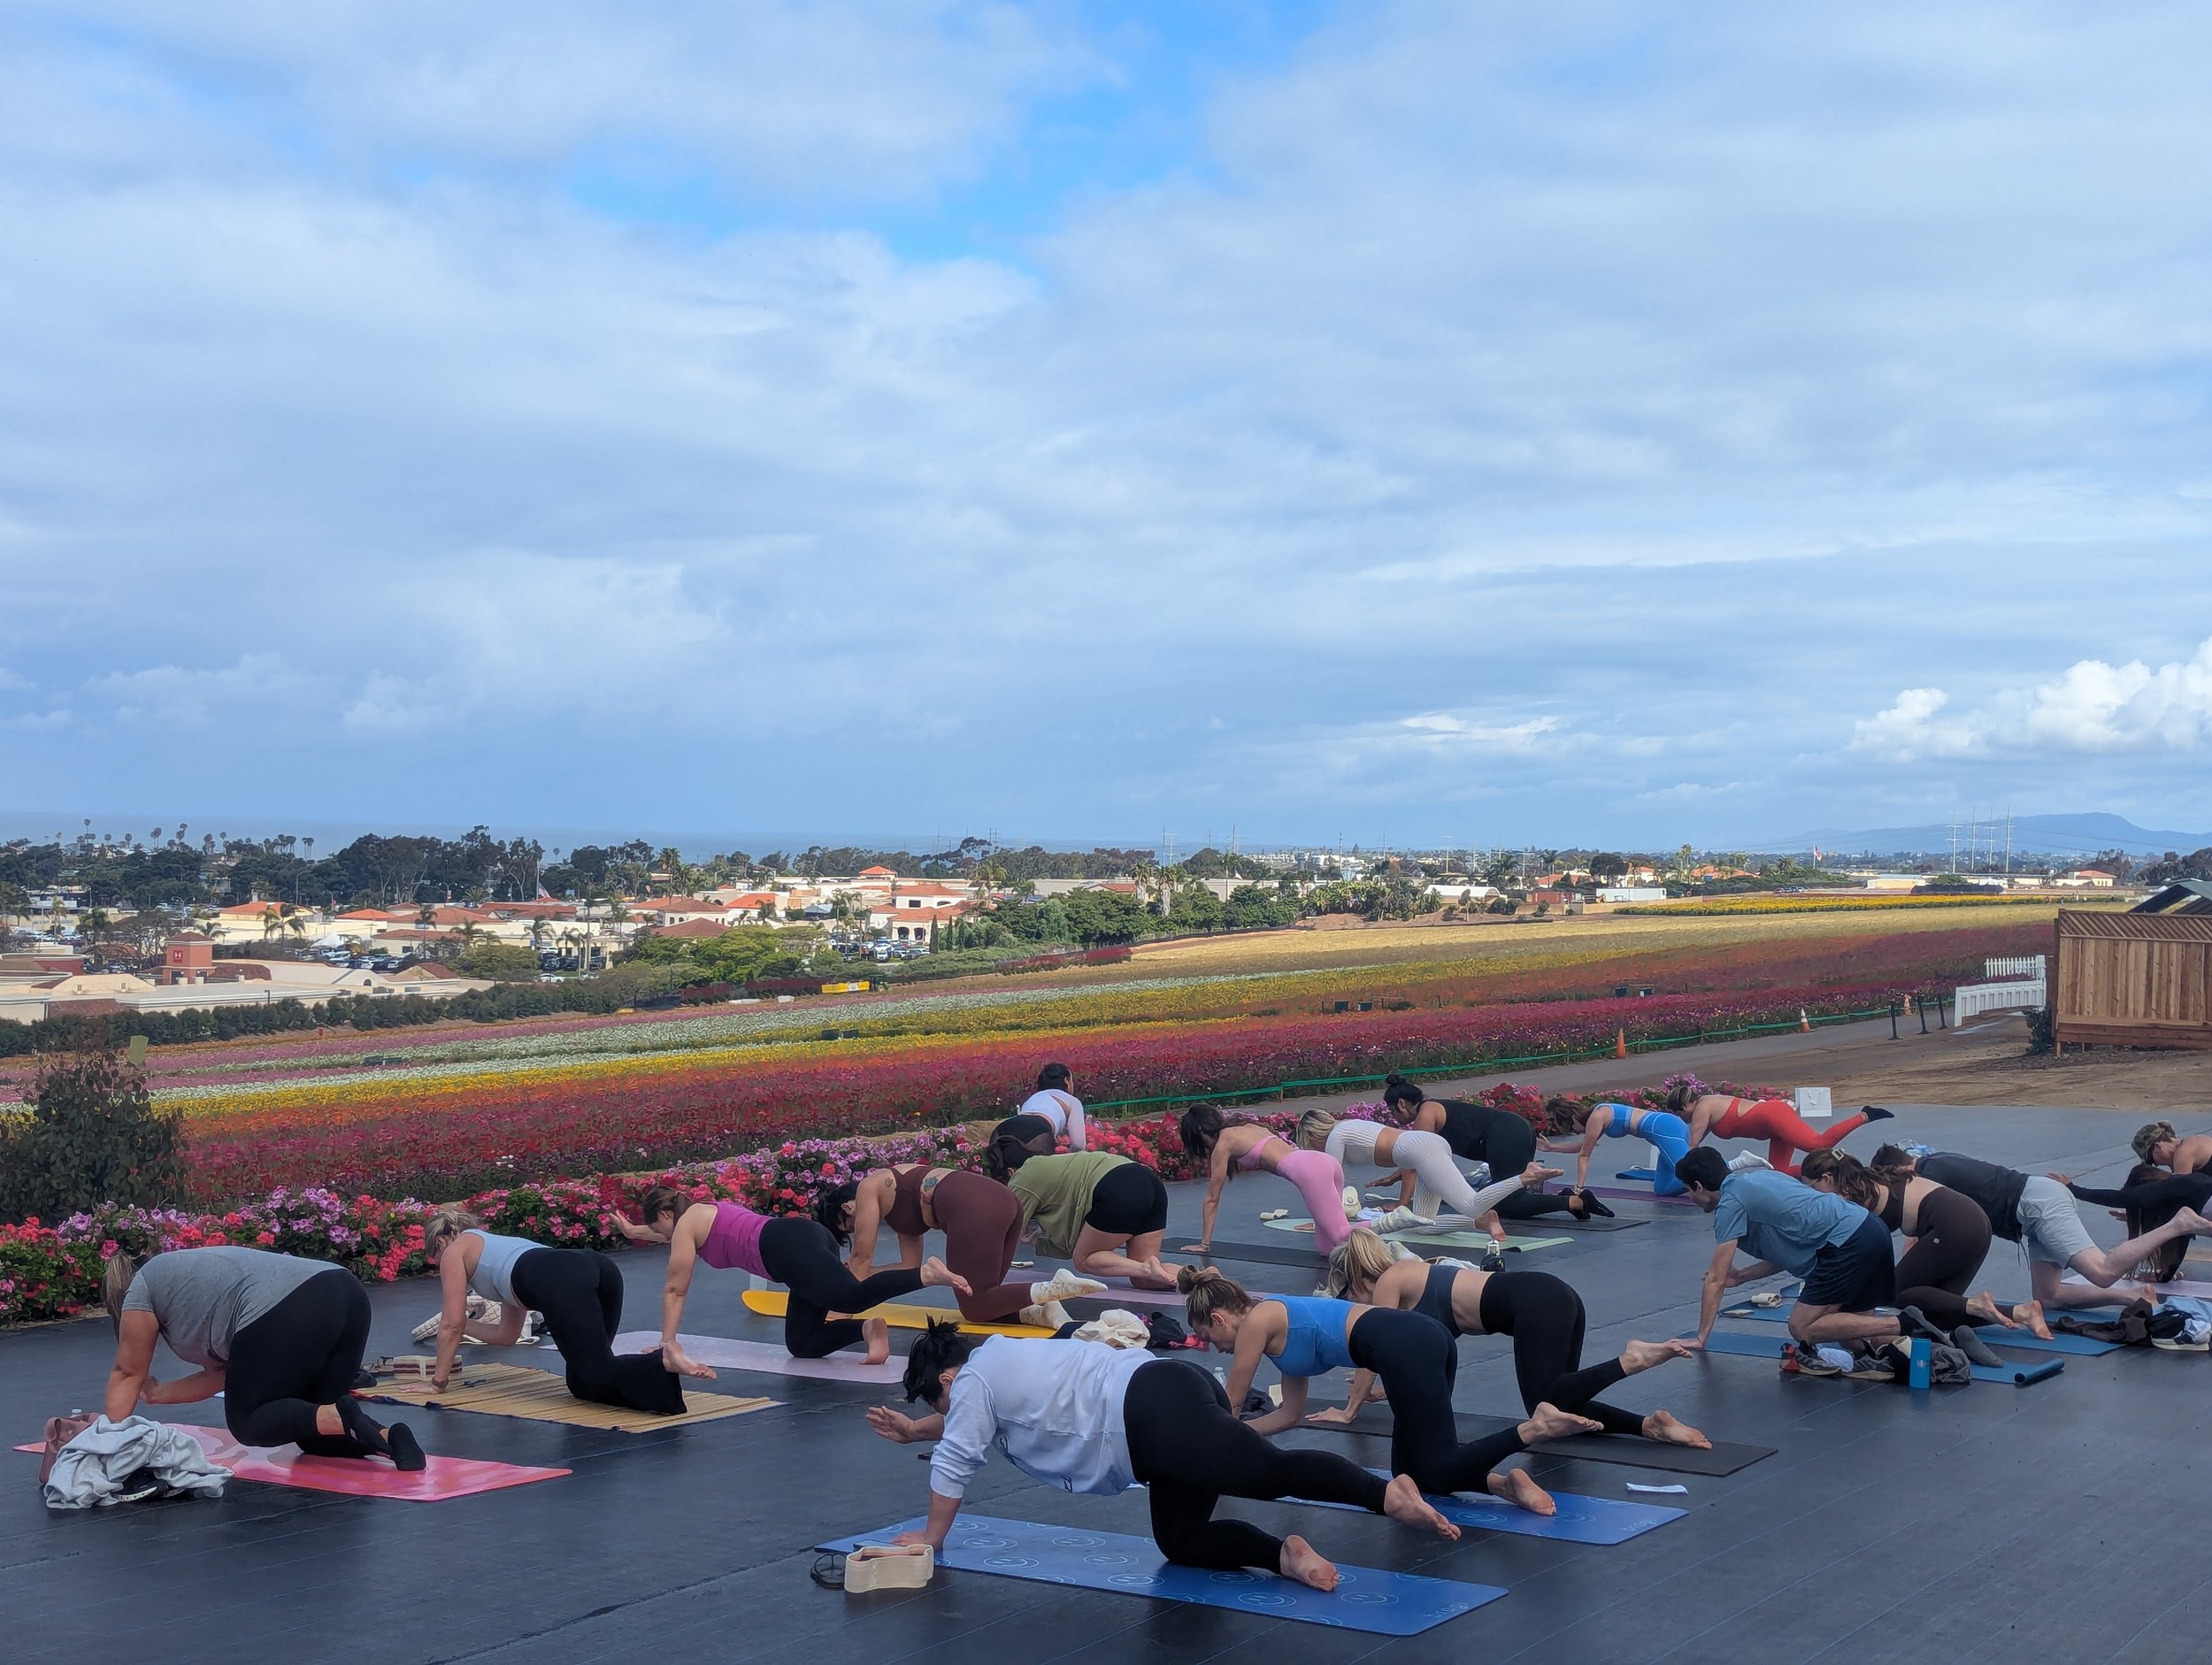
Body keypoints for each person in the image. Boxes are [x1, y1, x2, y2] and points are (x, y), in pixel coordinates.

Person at [866, 1319, 1464, 1591]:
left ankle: (1386, 1494)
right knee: (1182, 1541)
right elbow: (964, 1423)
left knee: (1266, 1472)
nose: (948, 1408)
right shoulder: (993, 1360)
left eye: (939, 1398)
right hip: (1162, 1403)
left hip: (1152, 1413)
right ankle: (1283, 1556)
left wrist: (932, 1538)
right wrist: (918, 1429)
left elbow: (958, 1456)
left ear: (949, 1377)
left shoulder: (974, 1381)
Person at [1179, 1266, 1600, 1515]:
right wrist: (1241, 1437)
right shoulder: (1276, 1329)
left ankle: (1532, 1429)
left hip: (1408, 1344)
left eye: (1209, 1337)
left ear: (1218, 1319)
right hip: (1415, 1341)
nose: (1217, 1348)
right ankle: (1504, 1484)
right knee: (1413, 1475)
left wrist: (1207, 1460)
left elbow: (1232, 1403)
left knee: (1439, 1464)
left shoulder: (1258, 1320)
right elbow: (1289, 1415)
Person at [1316, 1228, 1707, 1448]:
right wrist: (1384, 1391)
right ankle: (1651, 1426)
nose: (1353, 1306)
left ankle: (1631, 1360)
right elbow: (1425, 1360)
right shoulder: (1415, 1282)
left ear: (1356, 1279)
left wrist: (1349, 1411)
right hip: (1552, 1295)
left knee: (1545, 1401)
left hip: (1537, 1302)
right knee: (1557, 1405)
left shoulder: (1391, 1279)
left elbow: (1375, 1348)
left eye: (1347, 1295)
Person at [101, 1246, 424, 1470]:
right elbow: (224, 1375)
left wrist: (106, 1439)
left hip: (294, 1305)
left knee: (248, 1420)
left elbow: (128, 1371)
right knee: (317, 1438)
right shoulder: (184, 1282)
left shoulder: (142, 1289)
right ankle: (391, 1439)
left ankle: (338, 1414)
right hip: (346, 1294)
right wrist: (158, 1394)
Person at [613, 1186, 972, 1368]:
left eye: (658, 1226)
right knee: (803, 1344)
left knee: (849, 1295)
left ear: (666, 1214)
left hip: (790, 1246)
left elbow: (675, 1290)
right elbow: (663, 1233)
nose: (661, 1235)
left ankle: (925, 1274)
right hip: (796, 1247)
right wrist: (632, 1231)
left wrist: (668, 1341)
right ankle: (867, 1330)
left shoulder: (686, 1225)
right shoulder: (693, 1217)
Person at [426, 1210, 688, 1413]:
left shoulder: (453, 1252)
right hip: (597, 1267)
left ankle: (662, 1361)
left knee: (594, 1374)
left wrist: (437, 1384)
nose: (440, 1268)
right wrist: (467, 1326)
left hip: (563, 1279)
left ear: (440, 1241)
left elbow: (452, 1324)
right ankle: (663, 1383)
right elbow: (507, 1335)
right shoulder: (497, 1250)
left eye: (436, 1261)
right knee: (582, 1383)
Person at [1675, 1147, 1902, 1370]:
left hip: (1847, 1241)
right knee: (1852, 1336)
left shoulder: (1730, 1204)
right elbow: (1785, 1252)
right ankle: (1868, 1359)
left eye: (1688, 1190)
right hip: (1871, 1228)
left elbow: (1715, 1280)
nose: (1691, 1197)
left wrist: (1701, 1337)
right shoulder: (1762, 1177)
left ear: (1698, 1186)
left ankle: (1902, 1324)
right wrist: (1742, 1276)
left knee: (1802, 1327)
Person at [1911, 1150, 2212, 1313]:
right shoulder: (1935, 1161)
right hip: (2031, 1209)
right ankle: (2133, 1297)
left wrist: (1908, 1283)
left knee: (2103, 1272)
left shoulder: (1929, 1173)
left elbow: (1917, 1237)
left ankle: (2178, 1225)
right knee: (2048, 1296)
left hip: (2037, 1204)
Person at [818, 1164, 1104, 1327]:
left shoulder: (869, 1187)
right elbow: (908, 1268)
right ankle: (1040, 1310)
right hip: (1002, 1200)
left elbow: (861, 1255)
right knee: (985, 1300)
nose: (859, 1229)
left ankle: (1053, 1287)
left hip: (975, 1207)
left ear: (848, 1207)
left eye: (850, 1226)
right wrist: (868, 1274)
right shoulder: (896, 1205)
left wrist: (842, 1310)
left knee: (974, 1306)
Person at [1799, 1148, 2031, 1333]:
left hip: (1956, 1225)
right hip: (1974, 1223)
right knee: (1933, 1313)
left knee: (1897, 1293)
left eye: (1811, 1187)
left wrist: (1834, 1299)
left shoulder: (1856, 1197)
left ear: (1826, 1178)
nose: (1811, 1196)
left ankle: (1976, 1304)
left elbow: (1861, 1256)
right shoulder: (1868, 1179)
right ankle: (2021, 1313)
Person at [1294, 1107, 1612, 1241]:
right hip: (1423, 1149)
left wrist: (1323, 1222)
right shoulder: (1347, 1127)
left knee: (1471, 1202)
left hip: (1424, 1150)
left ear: (1313, 1134)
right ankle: (1482, 1222)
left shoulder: (1336, 1136)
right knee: (1422, 1224)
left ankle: (1524, 1177)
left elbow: (1331, 1184)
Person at [1379, 1074, 1593, 1222]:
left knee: (1505, 1203)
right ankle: (1566, 1197)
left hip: (1506, 1134)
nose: (1394, 1118)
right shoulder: (1432, 1108)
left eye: (1393, 1111)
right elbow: (1418, 1162)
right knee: (1504, 1197)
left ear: (1402, 1104)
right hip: (1515, 1129)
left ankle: (1574, 1202)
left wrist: (1402, 1205)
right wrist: (1395, 1176)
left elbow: (1414, 1162)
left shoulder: (1426, 1114)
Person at [988, 1142, 1179, 1289]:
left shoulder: (1022, 1178)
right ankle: (1195, 1276)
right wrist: (1039, 1240)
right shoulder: (1054, 1165)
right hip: (1149, 1182)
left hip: (1119, 1186)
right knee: (1144, 1280)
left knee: (1085, 1259)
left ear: (1010, 1172)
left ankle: (1146, 1267)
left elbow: (1004, 1237)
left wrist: (986, 1282)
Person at [1179, 1101, 1356, 1255]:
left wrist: (1204, 1244)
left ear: (1200, 1131)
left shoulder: (1223, 1145)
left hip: (1312, 1170)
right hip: (1324, 1162)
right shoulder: (1246, 1126)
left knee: (1341, 1235)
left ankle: (1376, 1225)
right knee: (1326, 1247)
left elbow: (1212, 1199)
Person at [1674, 1085, 1893, 1176]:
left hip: (1773, 1116)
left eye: (1677, 1114)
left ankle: (1864, 1115)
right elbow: (1697, 1140)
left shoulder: (1702, 1106)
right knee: (1779, 1173)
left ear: (1684, 1106)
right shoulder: (1706, 1106)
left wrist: (1678, 1169)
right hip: (1772, 1127)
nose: (1680, 1120)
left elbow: (1692, 1145)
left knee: (1817, 1144)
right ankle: (1834, 1164)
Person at [2050, 1162, 2212, 1285]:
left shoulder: (2174, 1186)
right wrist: (2165, 1275)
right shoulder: (2182, 1193)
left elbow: (2122, 1198)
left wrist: (2073, 1189)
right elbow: (2182, 1234)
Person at [1551, 1098, 1694, 1197]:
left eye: (1573, 1129)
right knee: (1662, 1189)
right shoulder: (1599, 1113)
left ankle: (1706, 1180)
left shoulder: (1597, 1117)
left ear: (1573, 1118)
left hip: (1666, 1128)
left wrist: (1578, 1189)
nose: (1578, 1132)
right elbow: (1583, 1147)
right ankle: (1701, 1182)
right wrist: (1551, 1147)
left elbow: (1584, 1156)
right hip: (1664, 1129)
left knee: (1689, 1175)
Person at [1017, 1062, 1088, 1151]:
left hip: (1007, 1128)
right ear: (1066, 1081)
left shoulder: (1031, 1099)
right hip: (1038, 1134)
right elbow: (1078, 1145)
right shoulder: (1073, 1101)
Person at [2131, 1120, 2212, 1178]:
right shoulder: (2184, 1149)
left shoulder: (2183, 1153)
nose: (2156, 1165)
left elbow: (2182, 1192)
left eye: (2151, 1160)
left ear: (2158, 1147)